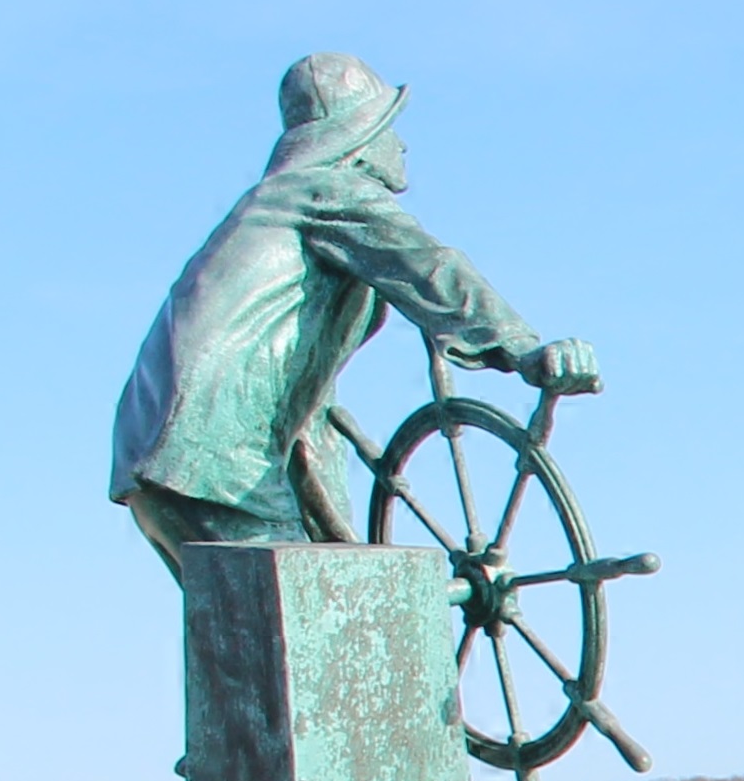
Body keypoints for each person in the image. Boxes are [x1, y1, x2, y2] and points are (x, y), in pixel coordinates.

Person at [113, 53, 599, 573]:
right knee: (307, 610)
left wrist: (338, 541)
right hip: (214, 460)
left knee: (265, 618)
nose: (401, 144)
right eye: (388, 127)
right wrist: (524, 350)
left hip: (165, 459)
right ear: (358, 136)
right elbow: (428, 267)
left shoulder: (272, 205)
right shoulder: (327, 189)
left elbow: (306, 413)